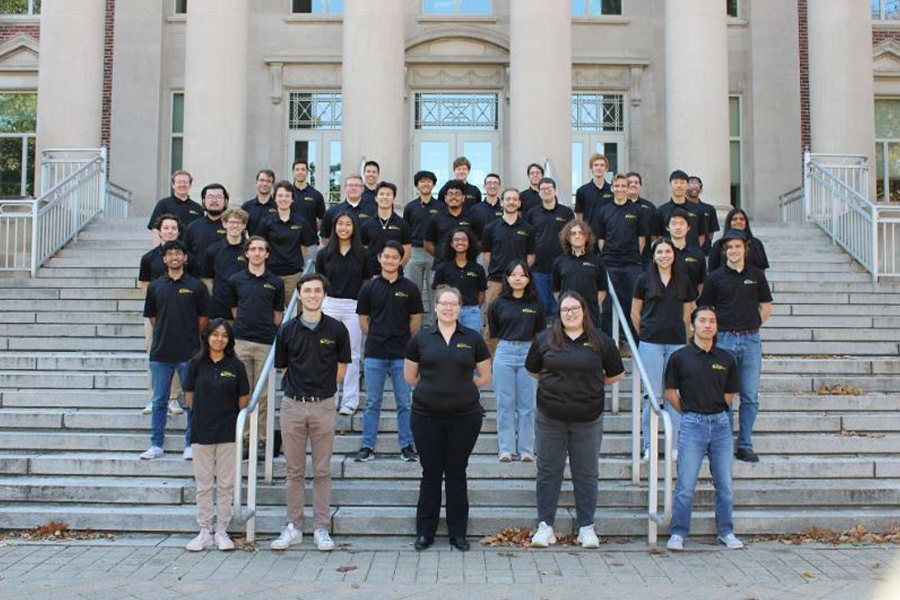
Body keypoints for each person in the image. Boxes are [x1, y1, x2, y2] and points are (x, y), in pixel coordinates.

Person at [526, 291, 624, 549]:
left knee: (587, 473)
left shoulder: (601, 341)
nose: (570, 313)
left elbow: (615, 374)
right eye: (565, 309)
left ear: (584, 311)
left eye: (575, 308)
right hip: (550, 418)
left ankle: (586, 527)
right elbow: (533, 370)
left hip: (588, 419)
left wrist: (590, 385)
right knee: (548, 472)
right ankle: (545, 526)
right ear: (558, 314)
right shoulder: (545, 339)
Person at [404, 285, 492, 552]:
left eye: (453, 303)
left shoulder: (473, 337)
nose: (448, 307)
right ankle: (425, 533)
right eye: (443, 303)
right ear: (436, 306)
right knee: (430, 473)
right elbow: (410, 377)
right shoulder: (421, 338)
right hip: (425, 416)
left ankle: (458, 534)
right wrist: (433, 390)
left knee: (456, 473)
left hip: (464, 417)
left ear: (460, 307)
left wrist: (462, 390)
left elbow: (485, 375)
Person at [271, 273, 351, 552]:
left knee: (321, 470)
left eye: (317, 291)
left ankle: (321, 528)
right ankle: (293, 526)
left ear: (324, 295)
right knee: (294, 470)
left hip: (324, 405)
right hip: (293, 405)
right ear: (300, 295)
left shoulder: (337, 330)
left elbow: (342, 368)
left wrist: (323, 389)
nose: (313, 295)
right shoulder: (287, 329)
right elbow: (283, 366)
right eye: (307, 291)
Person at [664, 306, 743, 551]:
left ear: (716, 327)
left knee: (725, 485)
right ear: (692, 325)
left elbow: (730, 394)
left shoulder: (727, 358)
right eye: (702, 321)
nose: (707, 325)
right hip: (692, 425)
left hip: (720, 425)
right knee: (686, 484)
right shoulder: (679, 357)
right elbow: (670, 393)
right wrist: (690, 412)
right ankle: (678, 533)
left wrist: (714, 409)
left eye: (712, 321)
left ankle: (726, 532)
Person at [698, 230, 773, 463]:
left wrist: (751, 325)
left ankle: (745, 443)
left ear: (745, 249)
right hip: (724, 341)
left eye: (737, 247)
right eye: (729, 247)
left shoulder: (757, 276)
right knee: (724, 395)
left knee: (749, 395)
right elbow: (706, 310)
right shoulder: (715, 277)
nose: (733, 251)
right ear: (724, 251)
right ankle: (723, 442)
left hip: (750, 340)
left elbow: (766, 306)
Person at [183, 319, 250, 552]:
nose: (219, 339)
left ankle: (221, 530)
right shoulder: (195, 364)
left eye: (224, 335)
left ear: (229, 340)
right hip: (201, 431)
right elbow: (189, 398)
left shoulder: (237, 366)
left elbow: (243, 400)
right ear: (208, 336)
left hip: (228, 432)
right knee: (203, 485)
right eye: (215, 334)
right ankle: (204, 531)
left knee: (225, 484)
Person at [355, 241, 424, 462]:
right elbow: (363, 321)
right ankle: (367, 446)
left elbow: (416, 320)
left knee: (404, 402)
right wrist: (378, 335)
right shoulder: (368, 288)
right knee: (372, 402)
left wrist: (399, 336)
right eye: (387, 256)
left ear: (401, 260)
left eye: (395, 257)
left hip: (402, 355)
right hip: (375, 353)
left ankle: (407, 446)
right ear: (379, 258)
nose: (390, 260)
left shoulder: (410, 288)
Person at [141, 240, 209, 461]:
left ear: (185, 257)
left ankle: (190, 444)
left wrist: (187, 335)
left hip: (189, 353)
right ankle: (156, 444)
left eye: (178, 253)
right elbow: (152, 317)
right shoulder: (155, 286)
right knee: (160, 401)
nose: (174, 257)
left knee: (192, 401)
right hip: (161, 353)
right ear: (164, 259)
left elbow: (203, 318)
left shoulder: (197, 286)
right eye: (169, 254)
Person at [631, 238, 693, 461]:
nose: (664, 255)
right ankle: (649, 446)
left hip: (676, 343)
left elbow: (688, 314)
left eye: (668, 251)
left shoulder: (683, 280)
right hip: (651, 344)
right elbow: (635, 313)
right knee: (651, 396)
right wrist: (645, 335)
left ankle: (673, 446)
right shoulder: (643, 279)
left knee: (673, 395)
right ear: (653, 255)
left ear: (674, 255)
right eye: (660, 252)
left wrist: (684, 338)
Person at [229, 236, 284, 447]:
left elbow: (277, 316)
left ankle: (261, 439)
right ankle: (244, 437)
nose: (257, 253)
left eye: (262, 249)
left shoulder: (276, 282)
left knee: (264, 395)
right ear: (247, 253)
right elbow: (234, 309)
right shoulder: (236, 280)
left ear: (267, 254)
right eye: (253, 249)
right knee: (243, 391)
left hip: (265, 343)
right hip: (241, 341)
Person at [488, 260, 545, 461]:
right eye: (514, 275)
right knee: (505, 404)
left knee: (527, 405)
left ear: (529, 279)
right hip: (504, 352)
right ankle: (506, 448)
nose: (518, 278)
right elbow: (493, 333)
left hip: (528, 353)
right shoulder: (498, 303)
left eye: (522, 275)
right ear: (507, 278)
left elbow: (541, 334)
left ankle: (526, 450)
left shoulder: (536, 304)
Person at [316, 212, 371, 416]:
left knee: (353, 354)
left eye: (348, 224)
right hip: (329, 304)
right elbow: (319, 282)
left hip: (353, 307)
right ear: (334, 227)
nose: (344, 228)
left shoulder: (363, 254)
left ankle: (350, 401)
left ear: (354, 228)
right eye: (340, 224)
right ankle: (330, 398)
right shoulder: (324, 253)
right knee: (328, 352)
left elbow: (367, 283)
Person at [139, 214, 187, 416]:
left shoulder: (186, 257)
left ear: (178, 231)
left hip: (181, 315)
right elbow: (145, 286)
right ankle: (154, 397)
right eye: (166, 228)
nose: (169, 231)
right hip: (155, 316)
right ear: (159, 231)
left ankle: (173, 398)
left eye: (173, 228)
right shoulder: (149, 258)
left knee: (179, 354)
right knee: (155, 355)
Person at [593, 173, 648, 338]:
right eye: (617, 186)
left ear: (628, 188)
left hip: (632, 264)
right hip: (610, 264)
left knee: (632, 303)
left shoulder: (637, 210)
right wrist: (608, 255)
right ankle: (610, 342)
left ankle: (632, 340)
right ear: (612, 188)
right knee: (609, 306)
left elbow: (642, 239)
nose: (620, 189)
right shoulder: (604, 211)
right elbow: (601, 239)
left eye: (623, 186)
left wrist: (633, 256)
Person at [257, 181, 316, 306]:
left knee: (294, 313)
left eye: (287, 196)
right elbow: (261, 247)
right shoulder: (266, 222)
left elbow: (305, 247)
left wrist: (296, 263)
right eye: (280, 195)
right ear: (275, 198)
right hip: (271, 274)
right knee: (271, 311)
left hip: (294, 275)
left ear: (292, 199)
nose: (284, 199)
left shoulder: (301, 222)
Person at [525, 177, 574, 320]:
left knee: (558, 308)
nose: (546, 191)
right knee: (541, 307)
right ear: (539, 192)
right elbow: (527, 239)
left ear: (555, 191)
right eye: (542, 189)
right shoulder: (532, 213)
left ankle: (557, 340)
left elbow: (571, 238)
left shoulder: (566, 213)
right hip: (538, 268)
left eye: (549, 188)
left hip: (561, 268)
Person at [482, 188, 535, 314]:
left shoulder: (528, 229)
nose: (511, 202)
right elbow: (486, 255)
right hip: (496, 281)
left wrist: (520, 275)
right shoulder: (490, 228)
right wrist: (497, 268)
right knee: (492, 322)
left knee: (519, 319)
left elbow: (531, 256)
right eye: (508, 199)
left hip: (519, 284)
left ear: (519, 203)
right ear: (502, 202)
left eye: (515, 199)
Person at [552, 219, 607, 332]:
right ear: (568, 237)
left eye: (581, 233)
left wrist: (586, 306)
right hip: (568, 315)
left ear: (587, 237)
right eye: (573, 233)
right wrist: (569, 306)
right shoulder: (559, 262)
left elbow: (602, 291)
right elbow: (556, 291)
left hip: (590, 315)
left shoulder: (597, 261)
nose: (577, 236)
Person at [431, 227, 486, 332]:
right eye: (456, 240)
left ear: (469, 243)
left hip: (471, 313)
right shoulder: (442, 268)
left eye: (464, 239)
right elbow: (438, 291)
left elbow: (481, 294)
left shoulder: (478, 269)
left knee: (471, 344)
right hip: (448, 311)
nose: (460, 242)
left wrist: (471, 309)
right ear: (451, 244)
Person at [403, 170, 441, 317]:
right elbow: (405, 231)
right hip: (415, 252)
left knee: (435, 291)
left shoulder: (440, 207)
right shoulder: (410, 207)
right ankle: (414, 328)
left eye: (429, 181)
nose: (426, 184)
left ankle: (436, 326)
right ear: (417, 185)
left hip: (434, 253)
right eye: (422, 181)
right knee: (413, 291)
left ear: (433, 184)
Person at [202, 207, 248, 320]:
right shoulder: (213, 250)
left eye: (239, 223)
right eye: (232, 222)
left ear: (244, 226)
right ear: (224, 224)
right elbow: (207, 279)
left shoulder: (251, 250)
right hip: (219, 310)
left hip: (244, 308)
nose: (235, 226)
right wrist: (216, 297)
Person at [359, 181, 412, 274]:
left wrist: (394, 268)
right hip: (372, 274)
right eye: (381, 194)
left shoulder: (403, 224)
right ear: (376, 198)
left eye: (388, 194)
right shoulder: (366, 225)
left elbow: (406, 252)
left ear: (393, 198)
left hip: (395, 275)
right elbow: (363, 250)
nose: (385, 197)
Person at [424, 180, 482, 265]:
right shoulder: (436, 218)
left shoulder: (473, 217)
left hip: (468, 265)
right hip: (441, 266)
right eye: (450, 194)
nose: (453, 197)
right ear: (445, 198)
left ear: (463, 198)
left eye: (457, 194)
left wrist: (470, 255)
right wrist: (440, 255)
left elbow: (480, 242)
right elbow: (428, 244)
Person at [653, 170, 707, 250]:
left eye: (682, 183)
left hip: (691, 255)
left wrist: (695, 251)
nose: (679, 185)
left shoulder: (697, 209)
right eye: (675, 182)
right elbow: (657, 235)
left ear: (687, 186)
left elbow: (702, 234)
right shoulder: (661, 210)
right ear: (670, 185)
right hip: (668, 256)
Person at [147, 170, 203, 244]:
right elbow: (155, 229)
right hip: (169, 251)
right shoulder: (163, 204)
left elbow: (200, 232)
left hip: (191, 251)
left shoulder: (197, 208)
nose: (182, 185)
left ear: (190, 185)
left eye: (185, 182)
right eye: (179, 182)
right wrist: (158, 252)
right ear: (173, 185)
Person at [319, 174, 376, 244]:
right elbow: (324, 238)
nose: (353, 188)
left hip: (364, 254)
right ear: (345, 188)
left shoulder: (373, 212)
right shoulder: (332, 211)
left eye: (357, 185)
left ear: (362, 189)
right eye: (350, 185)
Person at [708, 207, 770, 272]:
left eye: (742, 219)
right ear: (729, 222)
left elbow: (762, 268)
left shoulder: (757, 243)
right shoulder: (719, 244)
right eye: (734, 219)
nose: (738, 221)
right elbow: (712, 271)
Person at [290, 159, 327, 266]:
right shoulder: (287, 194)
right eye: (297, 169)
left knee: (309, 277)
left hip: (310, 243)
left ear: (307, 172)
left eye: (303, 169)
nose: (300, 172)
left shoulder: (316, 195)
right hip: (289, 242)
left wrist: (312, 230)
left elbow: (322, 219)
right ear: (293, 172)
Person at [183, 183, 230, 266]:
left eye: (219, 197)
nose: (214, 200)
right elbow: (185, 253)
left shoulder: (233, 227)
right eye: (210, 197)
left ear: (225, 201)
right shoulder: (193, 227)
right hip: (198, 277)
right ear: (203, 201)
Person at [666, 209, 707, 301]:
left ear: (688, 227)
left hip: (691, 305)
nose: (678, 227)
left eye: (681, 223)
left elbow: (701, 283)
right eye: (674, 223)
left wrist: (693, 302)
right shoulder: (660, 253)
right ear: (667, 227)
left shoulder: (697, 254)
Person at [575, 153, 613, 235]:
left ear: (606, 168)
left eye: (602, 165)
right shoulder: (582, 191)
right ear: (591, 168)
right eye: (596, 165)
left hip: (609, 235)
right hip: (589, 235)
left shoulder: (612, 190)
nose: (599, 168)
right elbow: (579, 217)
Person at [626, 172, 657, 268]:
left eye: (636, 182)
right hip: (621, 259)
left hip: (645, 260)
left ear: (640, 186)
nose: (633, 185)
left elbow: (656, 234)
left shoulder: (650, 207)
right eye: (629, 182)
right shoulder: (615, 207)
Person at [686, 175, 720, 256]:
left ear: (700, 188)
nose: (694, 187)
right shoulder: (681, 208)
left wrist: (705, 244)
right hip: (686, 250)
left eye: (697, 184)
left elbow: (711, 232)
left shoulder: (709, 208)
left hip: (705, 252)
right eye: (690, 184)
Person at [469, 173, 504, 240]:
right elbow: (471, 232)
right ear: (484, 186)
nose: (492, 186)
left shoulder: (505, 209)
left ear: (499, 186)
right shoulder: (475, 209)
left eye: (495, 183)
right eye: (489, 183)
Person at [241, 169, 276, 236]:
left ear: (272, 184)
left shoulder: (278, 206)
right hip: (253, 246)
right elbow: (241, 231)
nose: (265, 184)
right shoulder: (247, 207)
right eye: (262, 180)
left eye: (268, 181)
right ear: (256, 182)